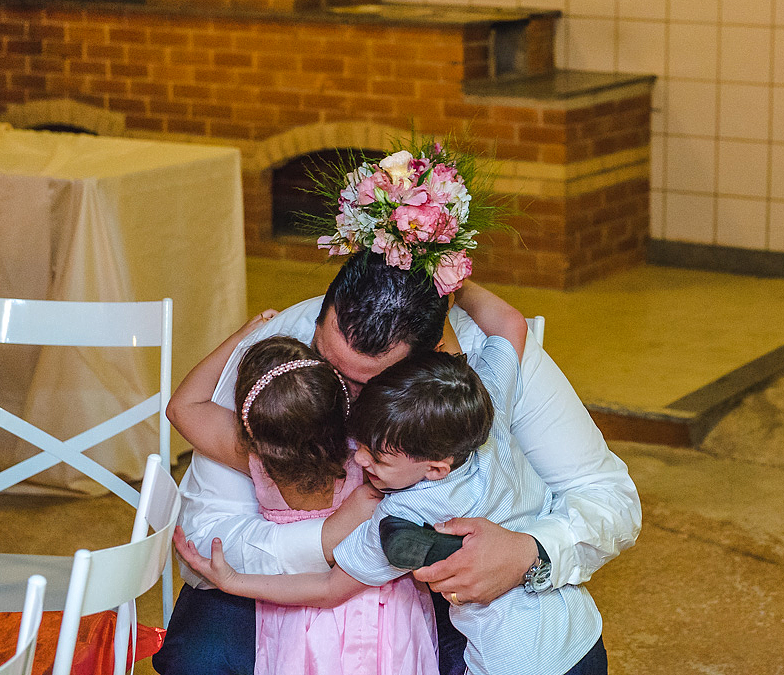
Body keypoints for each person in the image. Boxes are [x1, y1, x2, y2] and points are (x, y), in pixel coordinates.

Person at [154, 252, 641, 675]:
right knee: (201, 661)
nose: (339, 393)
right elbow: (206, 530)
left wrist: (529, 553)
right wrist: (326, 538)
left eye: (367, 385)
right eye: (328, 361)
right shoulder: (280, 362)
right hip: (285, 570)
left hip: (433, 594)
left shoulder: (472, 380)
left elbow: (608, 498)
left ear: (429, 363)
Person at [165, 313, 438, 675]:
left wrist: (240, 338)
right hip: (380, 620)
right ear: (345, 409)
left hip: (292, 617)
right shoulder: (371, 468)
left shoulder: (258, 462)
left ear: (253, 433)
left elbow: (181, 407)